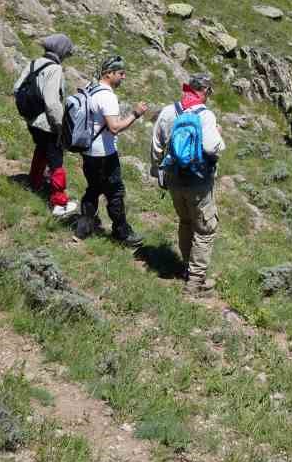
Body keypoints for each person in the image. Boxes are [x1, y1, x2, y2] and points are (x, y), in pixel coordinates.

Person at [151, 73, 224, 293]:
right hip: (198, 181)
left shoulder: (168, 111)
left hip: (173, 177)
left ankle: (186, 267)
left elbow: (156, 144)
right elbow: (213, 148)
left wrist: (158, 172)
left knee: (185, 222)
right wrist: (219, 136)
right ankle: (195, 282)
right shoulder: (205, 115)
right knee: (205, 228)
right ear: (205, 92)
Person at [77, 55, 150, 248]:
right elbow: (114, 127)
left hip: (88, 150)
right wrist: (135, 114)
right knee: (115, 193)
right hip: (104, 154)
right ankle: (122, 233)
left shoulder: (89, 88)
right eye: (120, 73)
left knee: (93, 188)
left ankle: (83, 227)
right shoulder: (107, 96)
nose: (123, 77)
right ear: (109, 73)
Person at [17, 33, 77, 217]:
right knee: (56, 160)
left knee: (41, 149)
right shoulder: (55, 69)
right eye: (67, 52)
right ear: (61, 52)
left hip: (31, 120)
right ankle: (59, 203)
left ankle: (34, 181)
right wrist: (61, 127)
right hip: (46, 123)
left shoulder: (34, 63)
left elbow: (17, 88)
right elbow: (52, 102)